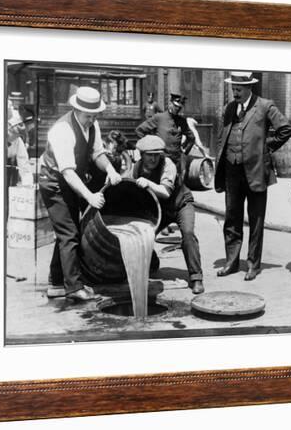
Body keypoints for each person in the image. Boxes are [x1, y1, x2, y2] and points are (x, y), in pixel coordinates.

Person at [38, 86, 122, 301]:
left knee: (68, 231)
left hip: (69, 180)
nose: (91, 120)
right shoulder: (62, 130)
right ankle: (74, 288)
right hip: (54, 181)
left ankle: (56, 282)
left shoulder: (93, 124)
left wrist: (111, 169)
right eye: (87, 116)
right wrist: (90, 196)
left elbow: (97, 153)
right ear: (76, 109)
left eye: (94, 116)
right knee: (69, 233)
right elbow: (67, 172)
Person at [214, 71, 291, 281]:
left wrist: (265, 148)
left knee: (256, 220)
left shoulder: (265, 105)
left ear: (249, 87)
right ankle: (231, 262)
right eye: (233, 89)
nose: (235, 93)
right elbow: (222, 137)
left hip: (256, 171)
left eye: (238, 89)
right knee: (231, 218)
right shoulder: (229, 108)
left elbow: (285, 129)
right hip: (232, 171)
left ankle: (253, 265)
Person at [132, 135, 204, 294]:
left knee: (188, 234)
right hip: (161, 210)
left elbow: (165, 191)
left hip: (181, 204)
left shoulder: (168, 164)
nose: (153, 159)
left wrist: (148, 183)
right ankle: (152, 263)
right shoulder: (136, 168)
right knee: (144, 234)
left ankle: (196, 277)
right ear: (142, 155)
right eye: (149, 155)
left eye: (156, 154)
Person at [136, 93, 196, 174]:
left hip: (176, 161)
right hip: (160, 162)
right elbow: (140, 130)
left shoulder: (182, 121)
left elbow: (191, 138)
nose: (177, 109)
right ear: (170, 103)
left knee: (176, 184)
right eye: (175, 106)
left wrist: (184, 151)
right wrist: (150, 147)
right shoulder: (159, 117)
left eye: (179, 108)